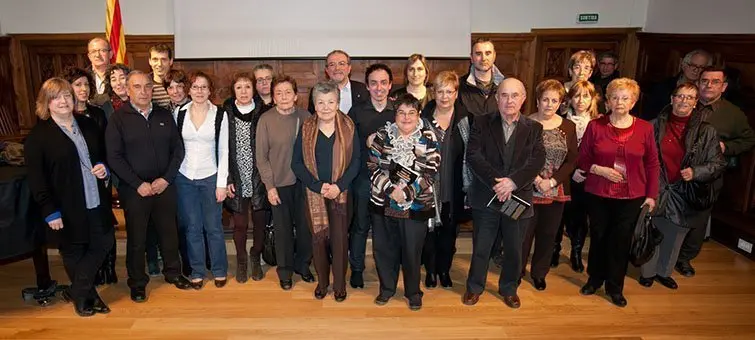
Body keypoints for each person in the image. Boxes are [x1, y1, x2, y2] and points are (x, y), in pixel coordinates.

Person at [25, 77, 114, 316]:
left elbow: (101, 156)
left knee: (104, 242)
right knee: (74, 250)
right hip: (65, 205)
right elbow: (37, 179)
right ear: (46, 102)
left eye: (66, 95)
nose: (63, 101)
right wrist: (49, 210)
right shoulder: (38, 137)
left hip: (95, 198)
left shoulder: (88, 124)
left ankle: (77, 291)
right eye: (56, 97)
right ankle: (86, 297)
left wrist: (102, 168)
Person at [106, 70, 192, 303]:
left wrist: (166, 179)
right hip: (135, 190)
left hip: (164, 186)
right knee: (137, 238)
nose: (143, 91)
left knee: (169, 233)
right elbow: (114, 157)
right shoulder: (118, 119)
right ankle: (137, 282)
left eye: (147, 87)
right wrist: (137, 184)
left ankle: (174, 273)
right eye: (137, 87)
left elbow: (178, 150)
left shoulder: (164, 115)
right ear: (128, 89)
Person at [462, 78, 545, 309]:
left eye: (514, 95)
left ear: (523, 99)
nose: (509, 100)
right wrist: (497, 183)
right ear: (497, 98)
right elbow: (474, 156)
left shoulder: (534, 128)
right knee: (482, 246)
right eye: (504, 95)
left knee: (513, 248)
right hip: (487, 195)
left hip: (516, 197)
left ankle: (509, 288)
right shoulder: (480, 122)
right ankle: (474, 287)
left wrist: (512, 183)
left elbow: (536, 160)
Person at [578, 78, 660, 308]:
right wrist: (599, 169)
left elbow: (653, 163)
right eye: (615, 97)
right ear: (608, 101)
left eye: (625, 98)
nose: (620, 102)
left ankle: (615, 287)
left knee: (620, 241)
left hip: (631, 196)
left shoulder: (645, 128)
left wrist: (652, 195)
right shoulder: (596, 126)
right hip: (599, 192)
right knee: (598, 238)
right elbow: (582, 158)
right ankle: (594, 279)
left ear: (633, 101)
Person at [639, 83, 726, 289]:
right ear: (672, 99)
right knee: (651, 230)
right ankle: (647, 272)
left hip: (683, 190)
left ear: (696, 103)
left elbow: (718, 163)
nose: (683, 101)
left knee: (674, 235)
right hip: (657, 186)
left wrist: (696, 172)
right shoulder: (652, 126)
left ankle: (664, 272)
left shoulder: (707, 132)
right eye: (680, 96)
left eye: (689, 98)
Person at [675, 67, 755, 277]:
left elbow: (748, 139)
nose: (709, 85)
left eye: (715, 82)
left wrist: (726, 148)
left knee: (699, 219)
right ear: (697, 83)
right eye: (705, 81)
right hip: (677, 171)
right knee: (671, 213)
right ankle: (663, 253)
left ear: (724, 86)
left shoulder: (733, 113)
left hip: (708, 175)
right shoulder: (684, 103)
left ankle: (684, 259)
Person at [369, 93, 440, 311]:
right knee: (384, 249)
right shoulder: (383, 135)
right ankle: (387, 289)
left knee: (412, 251)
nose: (406, 117)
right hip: (384, 202)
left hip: (417, 205)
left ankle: (413, 293)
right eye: (401, 112)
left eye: (411, 113)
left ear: (418, 114)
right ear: (395, 114)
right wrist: (391, 190)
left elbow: (431, 171)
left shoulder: (428, 136)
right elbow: (372, 166)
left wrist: (407, 192)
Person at [292, 81, 360, 301]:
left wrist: (339, 186)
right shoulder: (306, 129)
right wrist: (317, 186)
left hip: (341, 194)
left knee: (340, 241)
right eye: (321, 102)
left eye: (331, 102)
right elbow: (297, 164)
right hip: (315, 194)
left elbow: (357, 161)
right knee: (318, 241)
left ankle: (340, 286)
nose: (326, 107)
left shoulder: (349, 127)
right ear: (314, 104)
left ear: (338, 103)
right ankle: (322, 283)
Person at [256, 75, 314, 290]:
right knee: (283, 231)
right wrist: (269, 186)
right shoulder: (266, 120)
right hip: (279, 185)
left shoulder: (306, 116)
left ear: (296, 95)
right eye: (278, 93)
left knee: (305, 228)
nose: (283, 96)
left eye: (287, 92)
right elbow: (261, 157)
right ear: (273, 97)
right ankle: (285, 271)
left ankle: (303, 265)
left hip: (304, 183)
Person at [61, 67, 117, 285]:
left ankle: (107, 267)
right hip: (74, 182)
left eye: (86, 84)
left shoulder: (97, 113)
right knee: (81, 226)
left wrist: (104, 166)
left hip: (99, 176)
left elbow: (105, 146)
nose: (83, 89)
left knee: (103, 224)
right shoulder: (63, 116)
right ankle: (87, 274)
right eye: (77, 85)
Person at [174, 71, 230, 289]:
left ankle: (219, 269)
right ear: (189, 90)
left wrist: (222, 184)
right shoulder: (179, 113)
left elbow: (224, 150)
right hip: (184, 177)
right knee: (192, 227)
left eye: (203, 87)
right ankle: (197, 271)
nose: (199, 91)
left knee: (213, 227)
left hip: (211, 176)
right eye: (195, 87)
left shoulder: (220, 115)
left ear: (210, 91)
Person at [520, 80, 578, 291]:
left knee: (548, 234)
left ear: (561, 103)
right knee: (523, 234)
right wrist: (537, 179)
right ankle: (517, 271)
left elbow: (572, 160)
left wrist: (552, 181)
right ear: (537, 101)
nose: (549, 104)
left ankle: (539, 273)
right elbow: (519, 157)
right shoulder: (525, 123)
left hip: (556, 189)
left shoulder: (568, 127)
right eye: (545, 100)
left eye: (555, 100)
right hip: (528, 187)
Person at [419, 71, 470, 289]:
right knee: (429, 234)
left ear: (456, 93)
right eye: (440, 91)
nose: (444, 96)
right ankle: (430, 271)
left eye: (449, 91)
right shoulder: (422, 119)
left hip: (454, 187)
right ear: (434, 93)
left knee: (449, 235)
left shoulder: (466, 120)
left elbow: (472, 154)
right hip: (428, 188)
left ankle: (444, 270)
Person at [347, 63, 396, 288]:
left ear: (390, 85)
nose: (379, 88)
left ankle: (385, 270)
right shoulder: (356, 111)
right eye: (374, 83)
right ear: (367, 86)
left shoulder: (398, 112)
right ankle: (357, 269)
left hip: (391, 181)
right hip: (363, 180)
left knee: (385, 227)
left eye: (383, 83)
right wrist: (365, 141)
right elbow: (347, 146)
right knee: (359, 225)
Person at [224, 72, 270, 283]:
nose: (243, 91)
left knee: (260, 221)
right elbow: (221, 148)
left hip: (260, 176)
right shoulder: (224, 112)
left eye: (247, 87)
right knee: (240, 224)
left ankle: (255, 255)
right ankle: (241, 259)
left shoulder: (264, 112)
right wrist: (227, 178)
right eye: (239, 87)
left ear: (254, 90)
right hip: (236, 176)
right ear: (234, 90)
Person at [552, 80, 602, 272]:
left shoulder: (599, 122)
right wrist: (571, 171)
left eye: (586, 96)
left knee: (580, 217)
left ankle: (576, 252)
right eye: (576, 95)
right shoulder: (560, 119)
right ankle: (554, 250)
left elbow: (601, 152)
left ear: (592, 99)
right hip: (563, 175)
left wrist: (585, 170)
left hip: (587, 177)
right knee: (558, 214)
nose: (581, 100)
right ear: (570, 98)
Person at [643, 49, 712, 120]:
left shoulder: (707, 90)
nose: (696, 70)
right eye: (693, 65)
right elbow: (649, 115)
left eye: (701, 67)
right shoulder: (663, 87)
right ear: (684, 65)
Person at [307, 50, 369, 114]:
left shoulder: (363, 90)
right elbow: (313, 118)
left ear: (349, 68)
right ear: (327, 70)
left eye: (341, 64)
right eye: (332, 65)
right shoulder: (317, 91)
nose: (337, 68)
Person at [458, 38, 504, 116]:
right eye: (478, 54)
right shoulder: (458, 86)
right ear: (472, 58)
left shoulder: (506, 85)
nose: (483, 58)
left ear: (494, 56)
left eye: (488, 53)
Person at [85, 37, 112, 107]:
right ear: (89, 56)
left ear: (110, 54)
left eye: (102, 51)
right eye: (93, 51)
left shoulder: (120, 75)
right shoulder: (83, 76)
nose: (97, 55)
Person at [147, 44, 174, 110]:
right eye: (155, 59)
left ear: (171, 61)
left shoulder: (180, 83)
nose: (159, 64)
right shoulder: (143, 84)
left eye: (164, 60)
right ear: (150, 61)